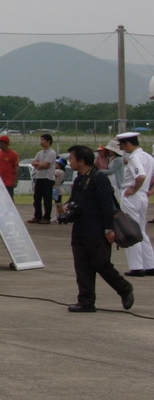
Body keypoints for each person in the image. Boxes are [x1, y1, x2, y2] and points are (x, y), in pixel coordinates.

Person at [63, 143, 133, 313]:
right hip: (80, 229)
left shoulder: (98, 178)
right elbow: (75, 201)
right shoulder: (79, 180)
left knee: (101, 264)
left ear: (81, 160)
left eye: (72, 158)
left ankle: (124, 288)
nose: (70, 161)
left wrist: (109, 229)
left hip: (97, 229)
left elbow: (106, 205)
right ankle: (86, 301)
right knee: (82, 266)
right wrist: (67, 209)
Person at [118, 132, 154, 277]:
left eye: (122, 145)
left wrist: (134, 189)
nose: (121, 148)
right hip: (143, 196)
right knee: (141, 230)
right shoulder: (148, 157)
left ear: (128, 143)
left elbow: (141, 176)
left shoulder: (134, 158)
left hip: (132, 195)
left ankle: (136, 266)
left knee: (130, 230)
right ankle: (149, 265)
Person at [29, 133, 60, 224]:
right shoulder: (40, 153)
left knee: (47, 199)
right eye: (41, 140)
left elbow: (45, 165)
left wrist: (40, 165)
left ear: (48, 141)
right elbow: (34, 163)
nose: (41, 142)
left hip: (48, 178)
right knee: (37, 198)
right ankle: (37, 216)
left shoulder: (52, 153)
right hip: (39, 177)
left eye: (43, 140)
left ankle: (47, 217)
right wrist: (40, 165)